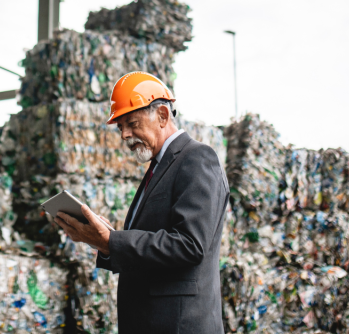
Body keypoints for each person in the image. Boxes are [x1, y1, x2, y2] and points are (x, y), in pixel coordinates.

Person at [51, 71, 229, 333]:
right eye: (121, 127)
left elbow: (190, 245)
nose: (125, 135)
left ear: (163, 115)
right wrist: (107, 241)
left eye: (132, 123)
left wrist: (112, 241)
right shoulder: (159, 169)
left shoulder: (196, 158)